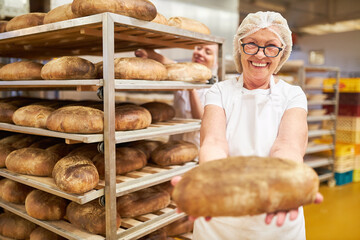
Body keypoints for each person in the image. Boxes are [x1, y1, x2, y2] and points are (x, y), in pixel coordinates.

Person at [172, 11, 324, 239]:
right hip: (220, 215)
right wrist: (213, 180)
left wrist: (283, 185)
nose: (260, 55)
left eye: (271, 46)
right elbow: (213, 142)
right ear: (239, 47)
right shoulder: (219, 92)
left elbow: (288, 146)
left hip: (277, 217)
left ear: (282, 54)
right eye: (251, 44)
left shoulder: (292, 95)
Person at [135, 44, 218, 147]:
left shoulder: (216, 89)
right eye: (199, 48)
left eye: (208, 52)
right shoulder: (182, 73)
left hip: (198, 147)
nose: (200, 53)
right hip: (174, 145)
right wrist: (149, 53)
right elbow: (168, 62)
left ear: (216, 62)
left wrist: (191, 89)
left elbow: (201, 118)